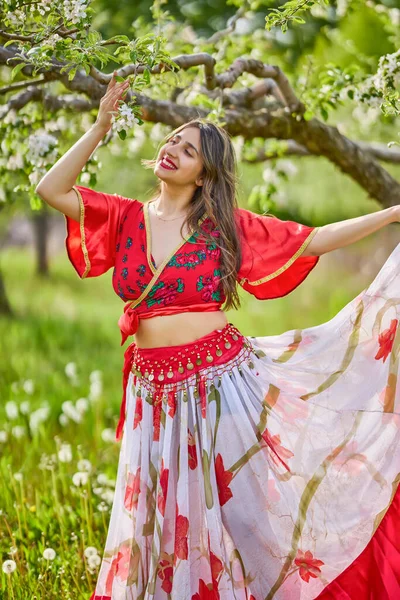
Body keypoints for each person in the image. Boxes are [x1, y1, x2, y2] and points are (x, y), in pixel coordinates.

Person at [36, 71, 400, 600]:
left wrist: (392, 214)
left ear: (205, 175)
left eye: (186, 151)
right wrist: (98, 129)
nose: (171, 151)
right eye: (171, 141)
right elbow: (51, 190)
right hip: (152, 394)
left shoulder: (223, 228)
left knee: (241, 513)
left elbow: (315, 240)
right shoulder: (124, 219)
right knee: (162, 518)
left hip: (218, 382)